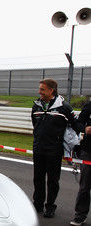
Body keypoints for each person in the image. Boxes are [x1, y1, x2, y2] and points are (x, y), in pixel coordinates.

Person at [31, 79, 78, 218]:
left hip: (54, 150)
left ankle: (50, 206)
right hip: (39, 148)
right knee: (38, 178)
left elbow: (76, 125)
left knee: (52, 180)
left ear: (52, 90)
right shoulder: (36, 106)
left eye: (42, 89)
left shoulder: (64, 107)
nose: (39, 92)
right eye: (39, 89)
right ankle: (38, 204)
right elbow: (36, 125)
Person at [71, 100, 91, 226]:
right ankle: (80, 215)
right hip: (88, 151)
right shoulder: (89, 106)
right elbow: (77, 124)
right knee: (85, 185)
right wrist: (85, 128)